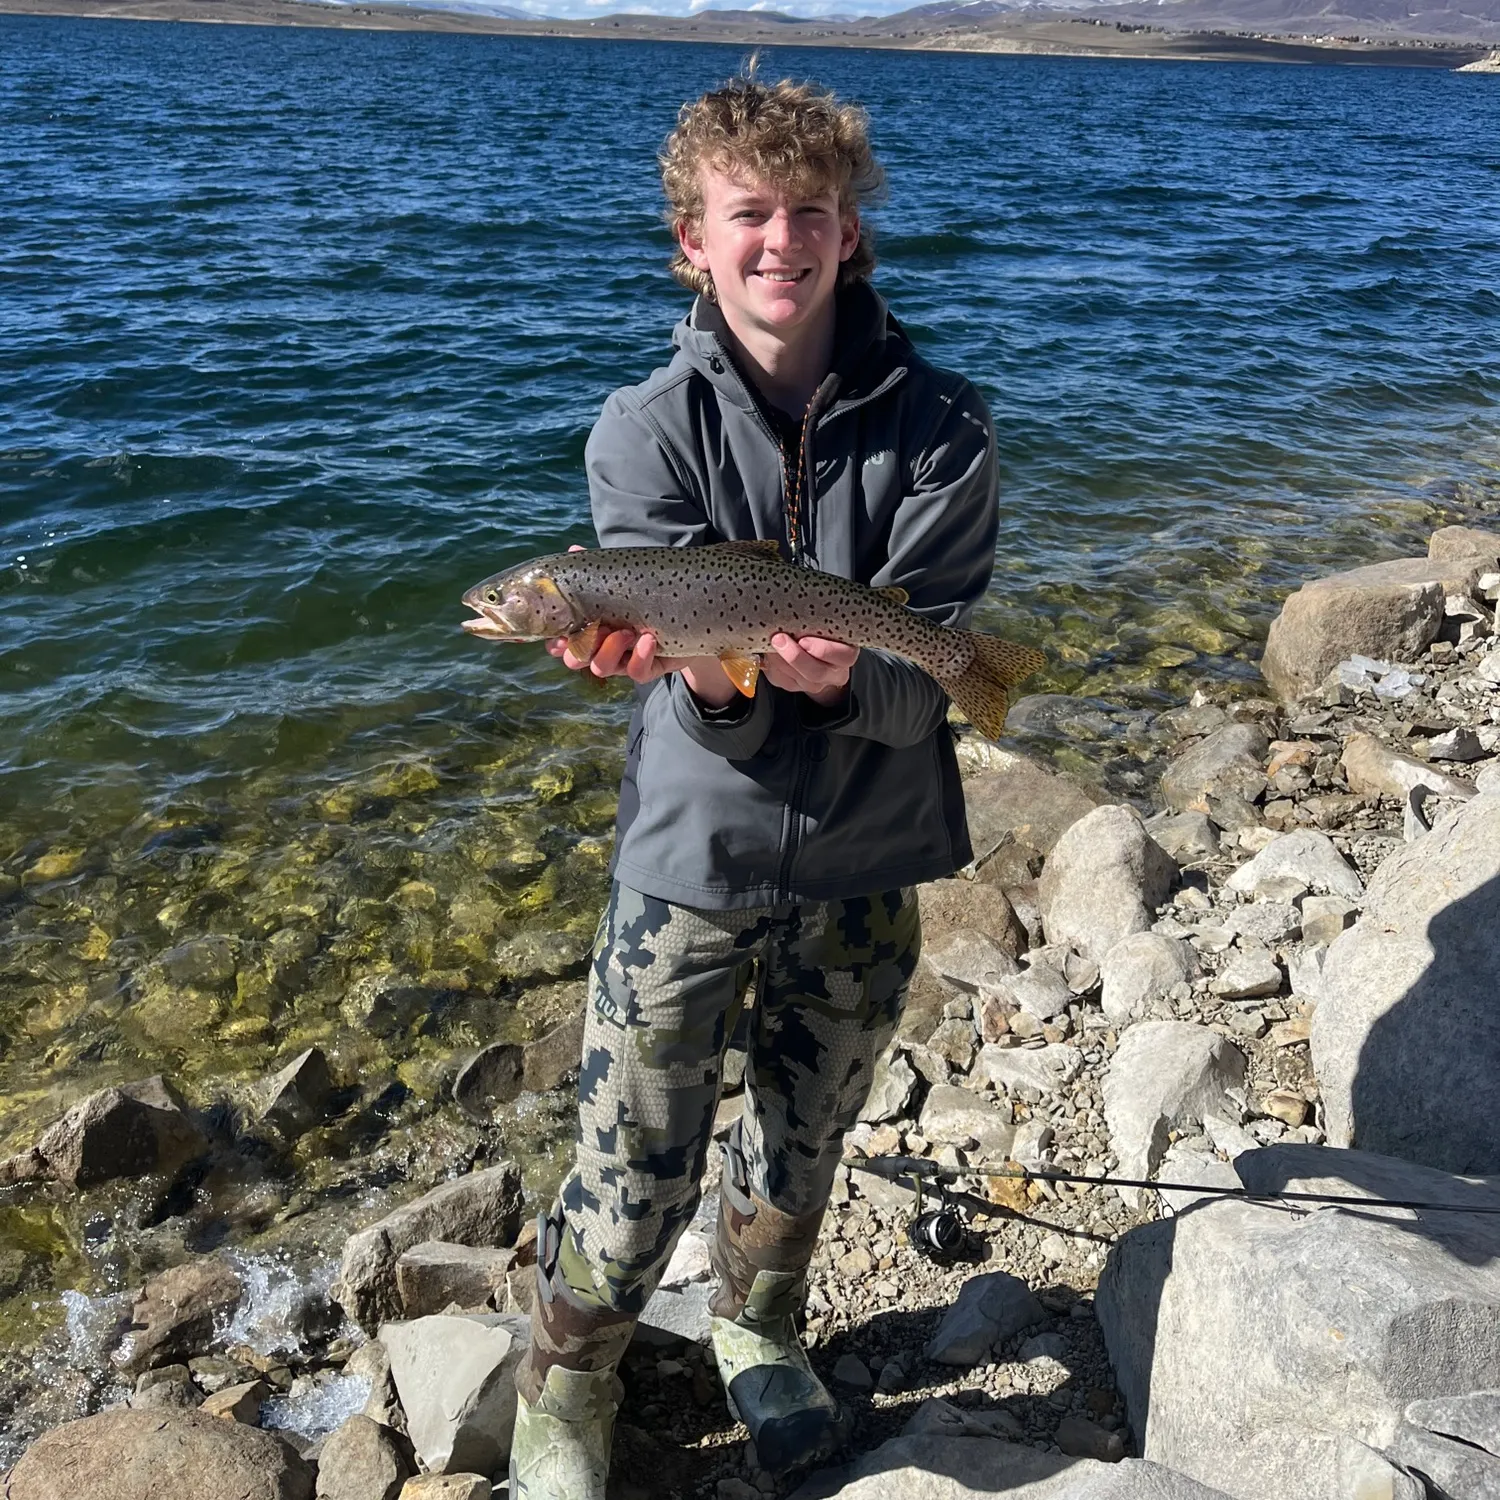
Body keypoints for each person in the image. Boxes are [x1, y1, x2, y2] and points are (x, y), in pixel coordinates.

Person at [509, 71, 1001, 1500]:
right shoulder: (638, 431)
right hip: (692, 860)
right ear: (691, 241)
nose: (779, 240)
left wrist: (844, 674)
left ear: (852, 235)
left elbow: (920, 693)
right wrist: (723, 675)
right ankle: (567, 1385)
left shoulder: (947, 432)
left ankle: (762, 1331)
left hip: (870, 855)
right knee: (632, 1152)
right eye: (748, 216)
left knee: (807, 1132)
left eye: (810, 215)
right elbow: (693, 683)